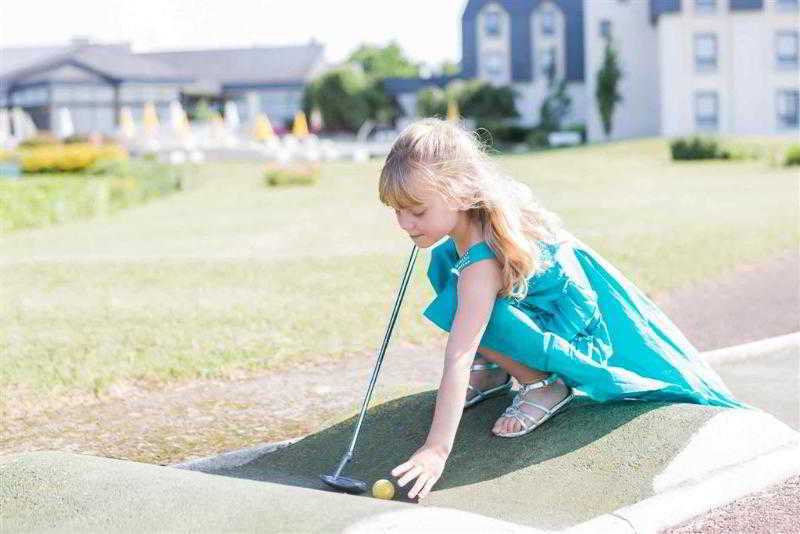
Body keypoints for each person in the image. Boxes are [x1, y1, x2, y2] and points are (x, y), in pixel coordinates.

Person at [378, 117, 759, 501]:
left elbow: (457, 353)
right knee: (445, 266)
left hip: (570, 333)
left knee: (465, 307)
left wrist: (436, 449)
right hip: (535, 310)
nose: (404, 223)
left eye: (417, 211)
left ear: (460, 195)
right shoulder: (463, 232)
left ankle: (543, 386)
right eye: (397, 210)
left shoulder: (480, 265)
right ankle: (496, 370)